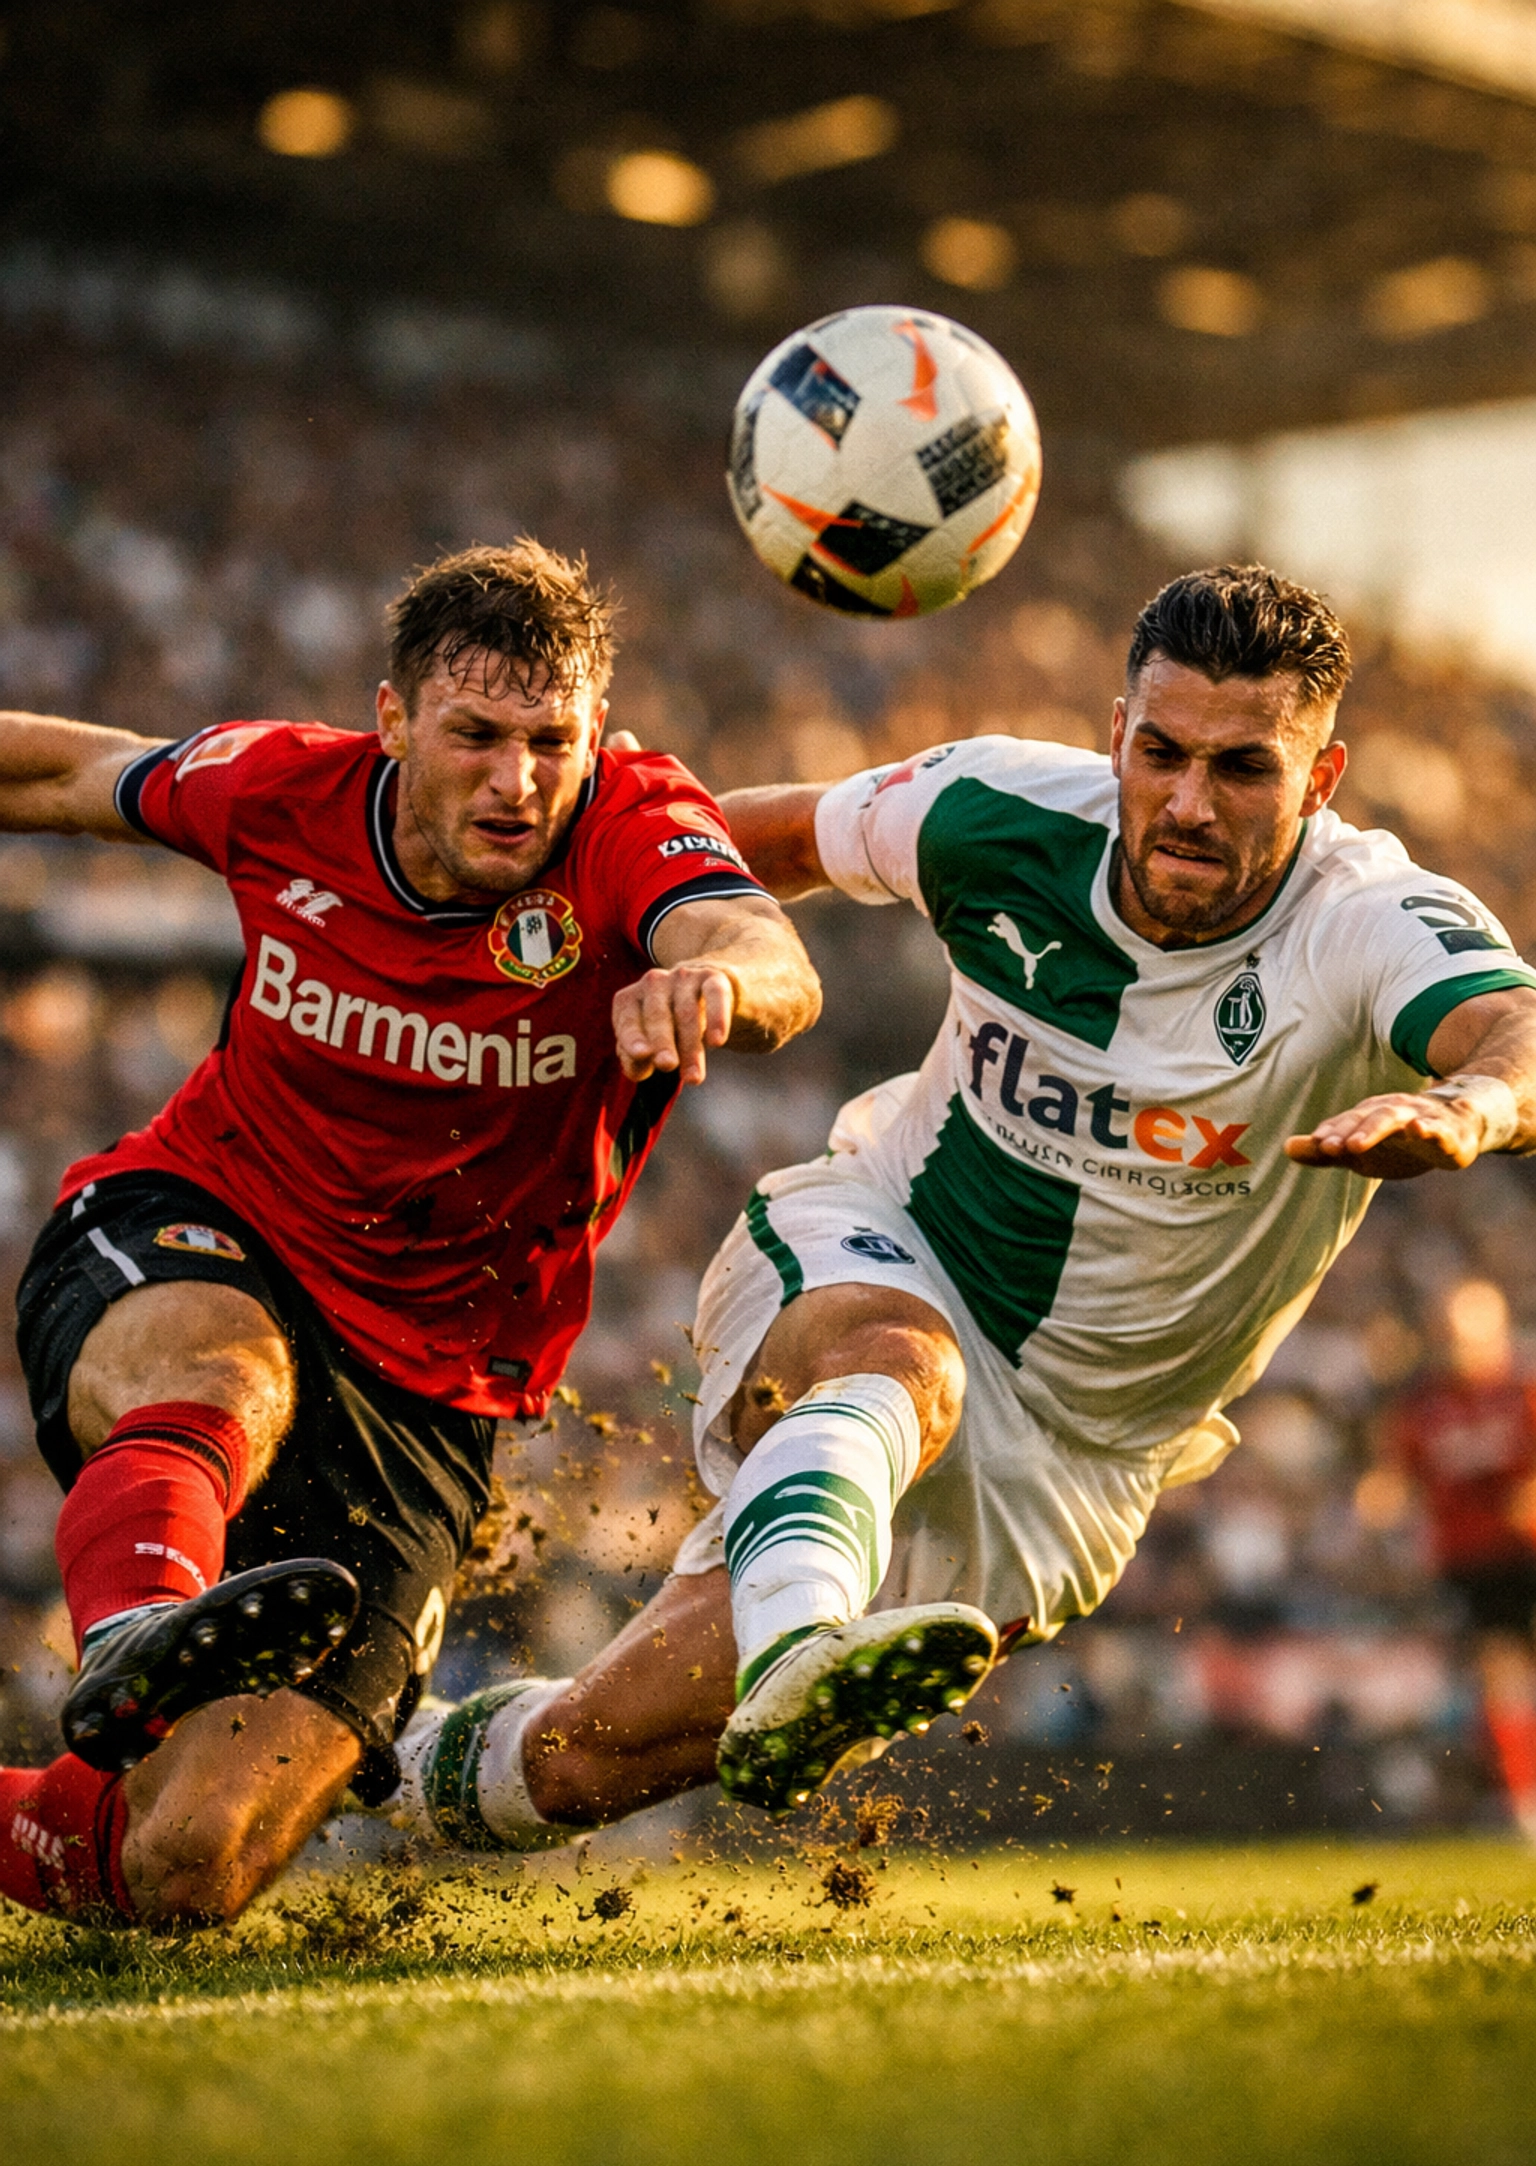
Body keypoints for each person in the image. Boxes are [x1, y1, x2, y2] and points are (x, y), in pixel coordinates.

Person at [390, 562, 1536, 1852]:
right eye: (1159, 752)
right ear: (1116, 732)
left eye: (1244, 769)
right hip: (890, 1243)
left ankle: (390, 1771)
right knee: (903, 1363)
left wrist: (1470, 1108)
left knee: (576, 1765)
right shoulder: (994, 808)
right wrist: (550, 896)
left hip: (1076, 1464)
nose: (1187, 803)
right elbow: (749, 839)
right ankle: (803, 1645)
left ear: (1320, 780)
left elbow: (1516, 1028)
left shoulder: (1367, 921)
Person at [0, 540, 821, 1924]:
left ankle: (89, 1778)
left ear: (596, 738)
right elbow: (69, 774)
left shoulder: (628, 824)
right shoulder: (281, 788)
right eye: (477, 736)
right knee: (226, 1375)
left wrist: (716, 988)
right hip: (205, 1225)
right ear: (392, 723)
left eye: (551, 741)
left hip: (431, 1392)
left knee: (181, 1867)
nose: (518, 781)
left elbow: (763, 946)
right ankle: (139, 1618)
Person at [1393, 1277, 1536, 1841]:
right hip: (1474, 1558)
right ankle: (1523, 1797)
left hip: (1526, 1546)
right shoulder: (1425, 1405)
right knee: (1500, 1674)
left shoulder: (1523, 1390)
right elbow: (1402, 1476)